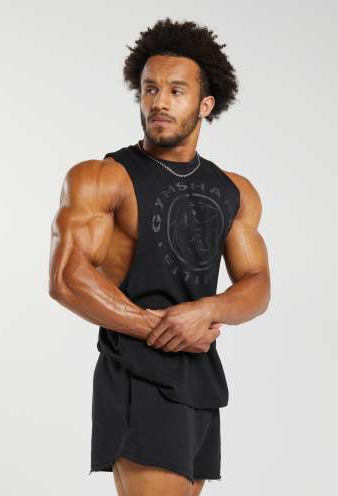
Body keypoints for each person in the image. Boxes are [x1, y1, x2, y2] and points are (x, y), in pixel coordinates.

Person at [49, 17, 271, 496]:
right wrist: (159, 327)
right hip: (137, 372)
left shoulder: (234, 191)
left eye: (176, 91)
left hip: (201, 379)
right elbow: (67, 277)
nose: (159, 102)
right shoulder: (103, 177)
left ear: (205, 104)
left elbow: (257, 283)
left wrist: (207, 310)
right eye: (150, 89)